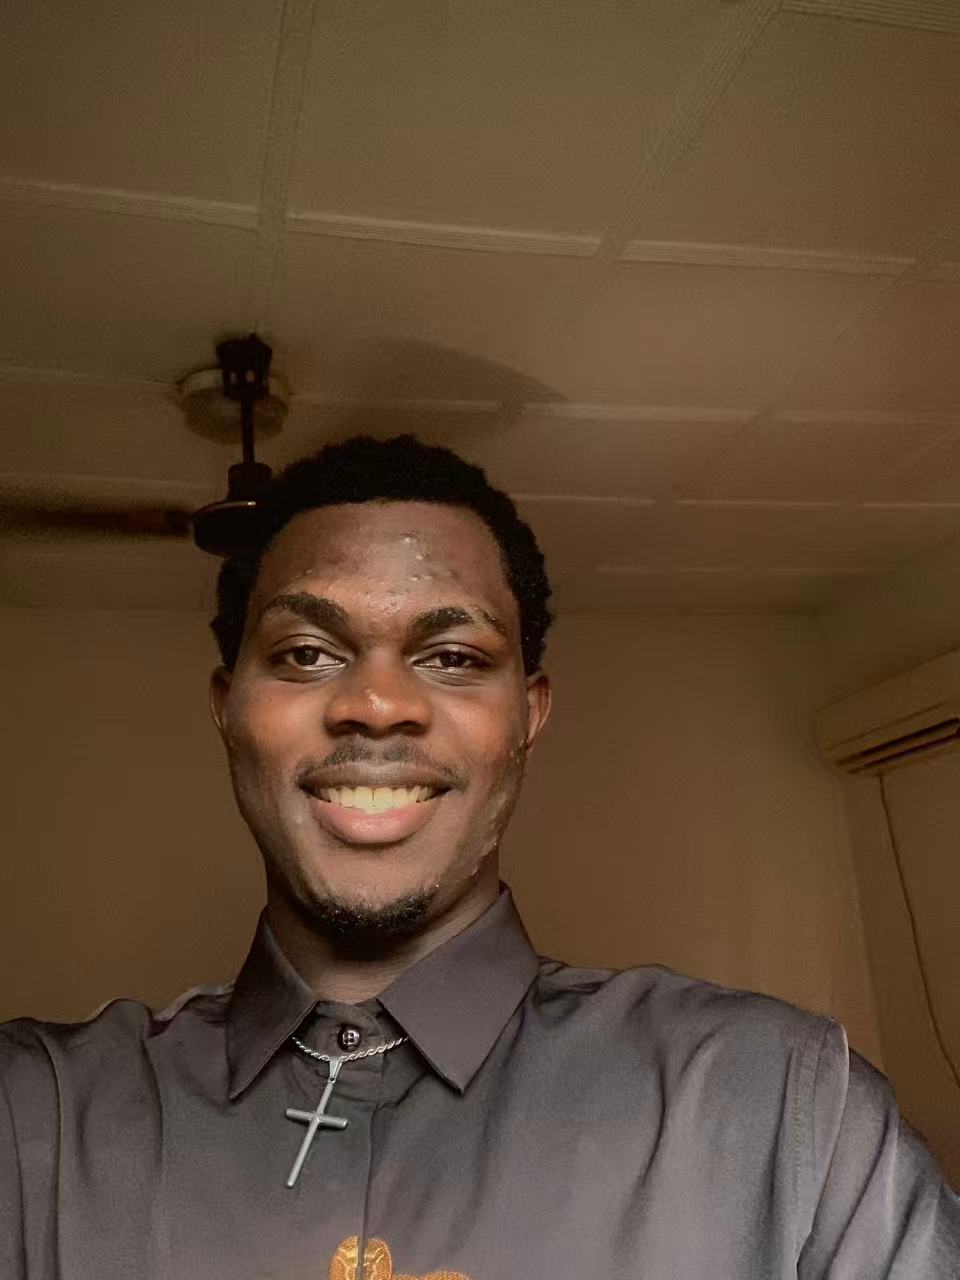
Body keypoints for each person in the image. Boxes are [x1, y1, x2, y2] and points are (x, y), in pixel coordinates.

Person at [1, 434, 958, 1280]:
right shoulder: (29, 1122)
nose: (377, 705)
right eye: (305, 653)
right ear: (228, 708)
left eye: (454, 657)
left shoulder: (781, 1108)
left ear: (527, 717)